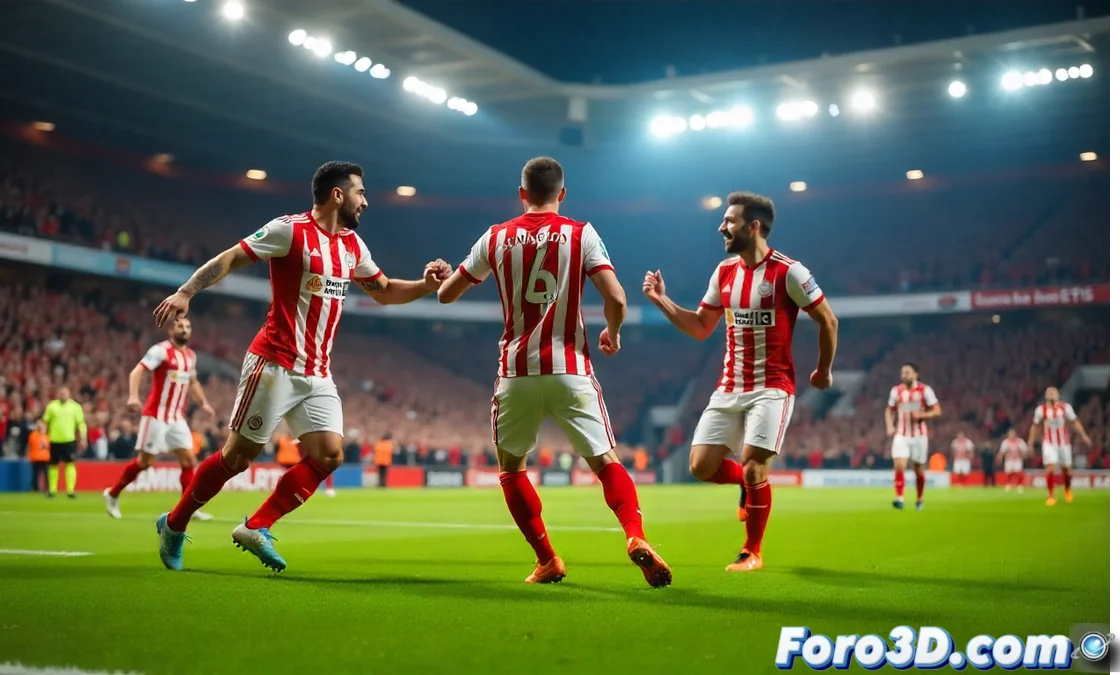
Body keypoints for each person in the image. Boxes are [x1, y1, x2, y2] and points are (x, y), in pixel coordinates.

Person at [151, 161, 451, 571]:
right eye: (361, 193)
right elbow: (232, 257)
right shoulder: (289, 230)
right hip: (274, 363)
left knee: (329, 456)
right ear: (338, 194)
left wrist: (425, 286)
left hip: (317, 372)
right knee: (238, 458)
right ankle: (174, 522)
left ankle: (257, 525)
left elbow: (382, 291)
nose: (366, 202)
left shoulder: (352, 246)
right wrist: (187, 292)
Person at [437, 156, 671, 587]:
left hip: (516, 373)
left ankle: (547, 559)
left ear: (522, 194)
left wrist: (447, 277)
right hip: (570, 369)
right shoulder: (581, 234)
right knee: (605, 462)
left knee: (512, 469)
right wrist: (613, 334)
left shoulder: (494, 237)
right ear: (562, 194)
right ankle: (635, 537)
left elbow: (447, 296)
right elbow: (616, 298)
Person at [642, 191, 838, 573]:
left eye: (729, 221)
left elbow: (828, 320)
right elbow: (701, 327)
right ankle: (746, 486)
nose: (721, 228)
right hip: (729, 386)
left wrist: (824, 369)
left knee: (753, 466)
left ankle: (752, 551)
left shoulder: (790, 272)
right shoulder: (724, 272)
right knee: (700, 466)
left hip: (772, 387)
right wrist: (661, 301)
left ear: (754, 226)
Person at [103, 317, 216, 520]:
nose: (185, 329)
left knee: (189, 459)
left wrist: (204, 403)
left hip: (176, 417)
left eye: (188, 326)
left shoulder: (190, 355)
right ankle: (113, 493)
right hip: (156, 416)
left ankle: (187, 508)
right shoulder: (160, 351)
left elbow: (193, 381)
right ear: (171, 330)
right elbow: (137, 371)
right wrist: (133, 396)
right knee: (146, 462)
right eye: (180, 326)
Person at [885, 363, 941, 510]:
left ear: (916, 374)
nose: (904, 375)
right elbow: (889, 410)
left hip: (919, 436)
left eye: (907, 372)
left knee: (919, 470)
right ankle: (899, 498)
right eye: (902, 372)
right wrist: (890, 426)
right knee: (899, 466)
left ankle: (919, 499)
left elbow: (937, 410)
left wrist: (923, 415)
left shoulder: (925, 390)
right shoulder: (896, 391)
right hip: (901, 434)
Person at [1028, 386, 1090, 506]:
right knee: (1050, 467)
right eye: (1049, 392)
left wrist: (1083, 436)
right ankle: (1051, 496)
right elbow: (1035, 426)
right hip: (1049, 443)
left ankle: (1067, 490)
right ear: (1046, 396)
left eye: (1053, 392)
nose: (1051, 394)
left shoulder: (1066, 407)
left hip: (1064, 443)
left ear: (1058, 395)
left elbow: (1075, 422)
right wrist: (1030, 443)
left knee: (1066, 470)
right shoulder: (1041, 410)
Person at [43, 387, 87, 498]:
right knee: (53, 465)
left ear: (69, 394)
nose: (63, 395)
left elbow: (81, 424)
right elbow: (45, 423)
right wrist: (43, 439)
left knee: (70, 464)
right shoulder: (52, 406)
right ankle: (52, 490)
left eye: (65, 393)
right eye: (61, 393)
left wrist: (83, 438)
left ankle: (70, 490)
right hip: (54, 439)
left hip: (69, 440)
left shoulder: (75, 407)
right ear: (58, 394)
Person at [997, 428, 1028, 493]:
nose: (1012, 435)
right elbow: (1002, 451)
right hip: (1009, 459)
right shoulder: (1005, 442)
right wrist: (999, 457)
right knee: (1009, 473)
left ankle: (1020, 485)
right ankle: (1009, 484)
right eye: (1010, 434)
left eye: (1013, 434)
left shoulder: (1020, 441)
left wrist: (1024, 455)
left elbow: (1024, 450)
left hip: (1017, 459)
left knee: (1018, 472)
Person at [27, 419, 50, 493]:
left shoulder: (47, 436)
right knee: (35, 474)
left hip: (45, 458)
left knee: (46, 474)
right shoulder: (33, 435)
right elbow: (31, 445)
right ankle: (35, 488)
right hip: (36, 457)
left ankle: (47, 488)